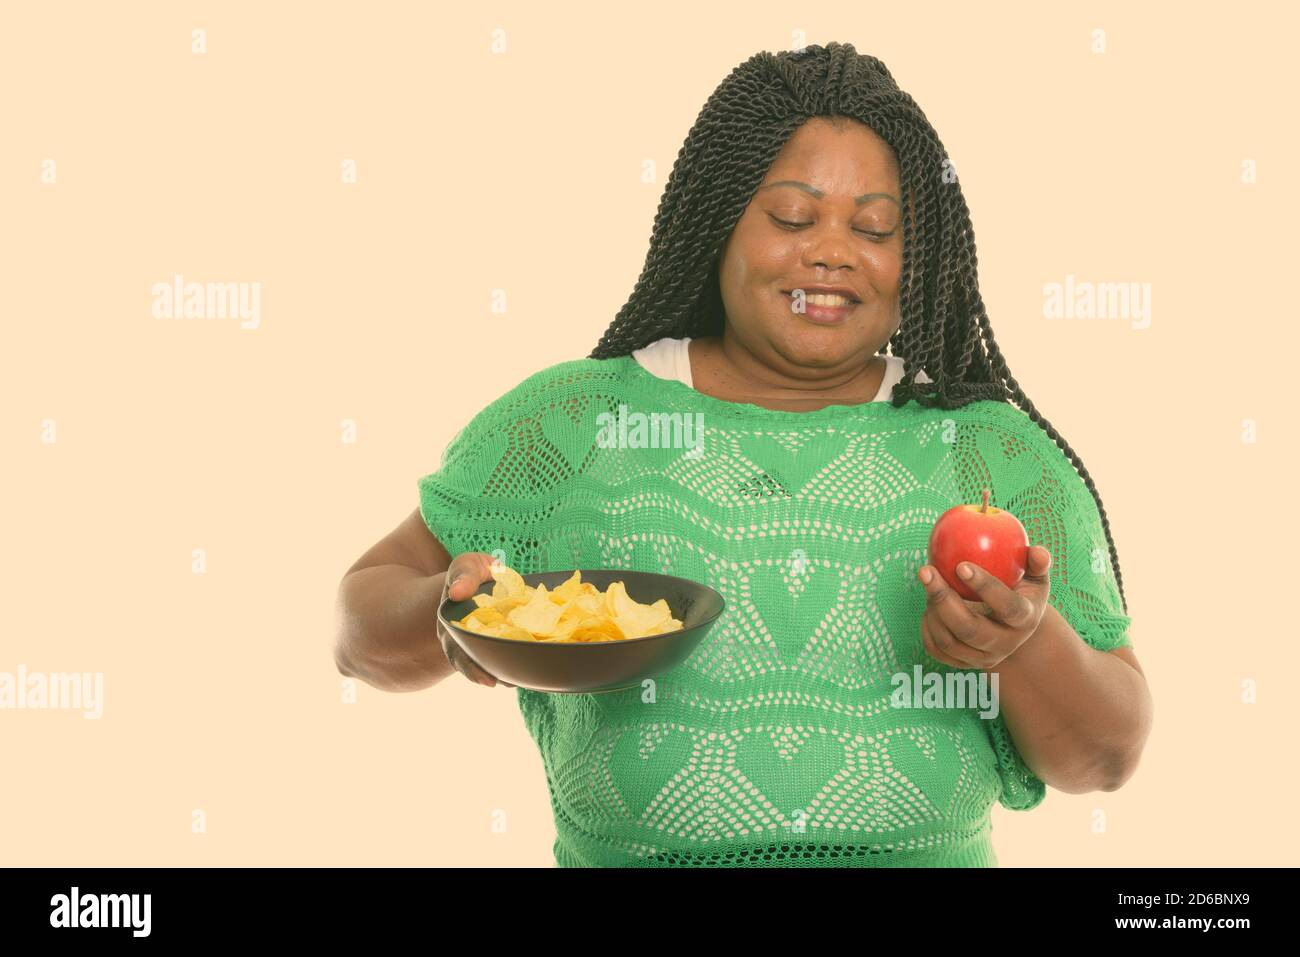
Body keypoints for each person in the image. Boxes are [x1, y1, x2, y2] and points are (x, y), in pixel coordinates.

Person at [334, 42, 1153, 867]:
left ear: (917, 254)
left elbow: (1109, 756)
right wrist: (448, 613)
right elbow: (356, 623)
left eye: (873, 228)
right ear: (717, 219)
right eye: (794, 218)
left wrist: (1020, 642)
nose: (832, 251)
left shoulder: (988, 450)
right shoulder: (570, 423)